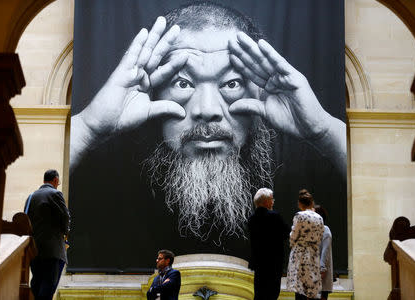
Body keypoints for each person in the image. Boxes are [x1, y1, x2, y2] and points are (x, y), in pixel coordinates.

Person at [68, 1, 346, 269]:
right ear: (154, 91)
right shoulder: (103, 173)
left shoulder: (307, 167)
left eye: (232, 82)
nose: (207, 110)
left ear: (259, 88)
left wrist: (322, 130)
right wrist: (90, 126)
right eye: (183, 82)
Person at [24, 169, 70, 300]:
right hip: (52, 251)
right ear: (55, 180)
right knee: (48, 289)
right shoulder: (55, 193)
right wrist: (66, 234)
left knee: (36, 286)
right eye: (58, 182)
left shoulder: (31, 196)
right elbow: (66, 217)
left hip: (34, 250)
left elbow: (25, 220)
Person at [247, 188, 291, 300]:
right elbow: (287, 233)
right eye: (272, 199)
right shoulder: (275, 216)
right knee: (272, 293)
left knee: (259, 293)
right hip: (273, 263)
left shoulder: (251, 219)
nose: (273, 201)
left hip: (258, 263)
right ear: (266, 201)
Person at [287, 189, 324, 300]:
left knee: (299, 288)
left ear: (300, 204)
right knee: (310, 286)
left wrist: (293, 244)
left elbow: (293, 235)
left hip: (299, 254)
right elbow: (320, 237)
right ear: (312, 203)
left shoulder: (299, 216)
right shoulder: (319, 218)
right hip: (313, 254)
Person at [315, 205, 334, 300]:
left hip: (322, 272)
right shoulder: (313, 231)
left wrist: (322, 269)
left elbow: (325, 251)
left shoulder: (325, 229)